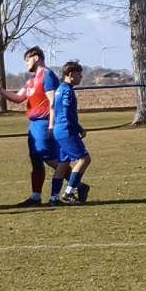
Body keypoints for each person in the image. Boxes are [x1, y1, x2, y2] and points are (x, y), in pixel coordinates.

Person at [0, 46, 64, 207]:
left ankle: (76, 184)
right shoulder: (31, 81)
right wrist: (1, 91)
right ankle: (36, 197)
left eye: (27, 60)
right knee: (36, 160)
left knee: (50, 159)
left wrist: (51, 125)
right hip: (34, 125)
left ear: (36, 57)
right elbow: (18, 98)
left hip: (44, 123)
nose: (26, 64)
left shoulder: (47, 75)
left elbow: (54, 102)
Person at [54, 61, 92, 205]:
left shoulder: (59, 89)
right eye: (79, 74)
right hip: (66, 130)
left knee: (63, 163)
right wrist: (79, 128)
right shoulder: (67, 91)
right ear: (70, 74)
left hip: (59, 129)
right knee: (84, 159)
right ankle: (69, 193)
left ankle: (54, 197)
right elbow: (67, 113)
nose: (81, 77)